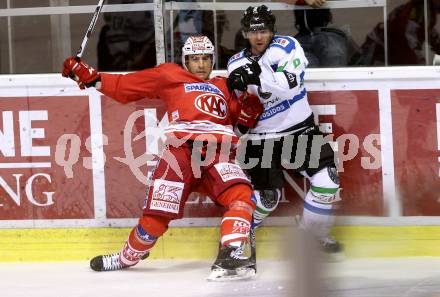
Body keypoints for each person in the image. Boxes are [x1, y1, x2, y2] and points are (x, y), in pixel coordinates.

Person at [61, 36, 264, 278]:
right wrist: (88, 76)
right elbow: (126, 86)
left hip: (217, 154)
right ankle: (127, 257)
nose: (201, 64)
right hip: (180, 154)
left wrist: (251, 100)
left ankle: (230, 254)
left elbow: (239, 126)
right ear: (185, 61)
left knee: (242, 196)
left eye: (206, 58)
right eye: (195, 59)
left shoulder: (224, 85)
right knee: (155, 220)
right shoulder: (170, 74)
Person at [210, 5, 342, 277]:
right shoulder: (235, 62)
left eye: (264, 30)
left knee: (327, 179)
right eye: (253, 31)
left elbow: (288, 85)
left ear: (272, 30)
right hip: (261, 138)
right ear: (245, 33)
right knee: (266, 199)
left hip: (299, 130)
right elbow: (243, 103)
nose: (259, 36)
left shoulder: (287, 46)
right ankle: (233, 244)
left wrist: (255, 76)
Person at [359, 0, 440, 65]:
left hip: (390, 51)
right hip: (378, 50)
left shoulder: (427, 9)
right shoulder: (417, 9)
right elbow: (408, 38)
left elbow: (428, 31)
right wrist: (421, 64)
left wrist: (438, 44)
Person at [294, 9, 361, 67]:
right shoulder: (338, 39)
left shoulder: (292, 46)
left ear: (297, 20)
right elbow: (359, 59)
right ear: (330, 17)